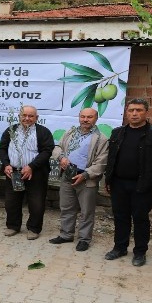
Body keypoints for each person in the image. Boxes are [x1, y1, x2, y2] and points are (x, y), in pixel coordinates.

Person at [104, 98, 152, 266]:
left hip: (143, 185)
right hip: (119, 183)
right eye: (131, 110)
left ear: (146, 112)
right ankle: (119, 247)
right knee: (120, 217)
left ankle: (140, 252)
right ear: (126, 113)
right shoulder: (117, 133)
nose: (134, 114)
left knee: (140, 219)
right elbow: (111, 158)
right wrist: (109, 179)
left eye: (139, 110)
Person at [49, 108, 108, 251]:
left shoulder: (101, 138)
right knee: (66, 207)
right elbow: (57, 147)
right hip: (68, 176)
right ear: (79, 117)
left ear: (96, 119)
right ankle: (66, 234)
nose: (85, 120)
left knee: (86, 211)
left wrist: (85, 174)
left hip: (86, 178)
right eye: (83, 116)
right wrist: (61, 157)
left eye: (89, 117)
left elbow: (102, 162)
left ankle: (84, 239)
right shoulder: (70, 132)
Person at [0, 106, 54, 240]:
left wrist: (31, 166)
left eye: (31, 116)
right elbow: (2, 148)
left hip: (35, 174)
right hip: (13, 173)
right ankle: (13, 226)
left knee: (37, 203)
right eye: (24, 115)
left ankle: (34, 228)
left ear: (36, 118)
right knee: (11, 202)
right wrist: (6, 164)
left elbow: (47, 151)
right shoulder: (11, 130)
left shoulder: (43, 132)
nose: (27, 118)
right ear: (19, 116)